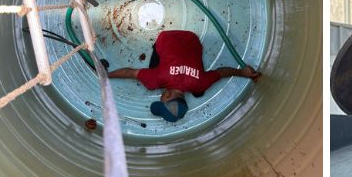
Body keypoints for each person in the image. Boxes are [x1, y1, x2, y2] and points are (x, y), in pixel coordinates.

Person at [106, 29, 260, 123]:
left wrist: (243, 73)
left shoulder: (201, 83)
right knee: (153, 69)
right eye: (162, 100)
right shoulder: (155, 80)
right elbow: (130, 72)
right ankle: (159, 46)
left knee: (199, 91)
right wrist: (107, 75)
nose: (160, 98)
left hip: (192, 38)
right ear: (166, 95)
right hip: (166, 36)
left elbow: (222, 72)